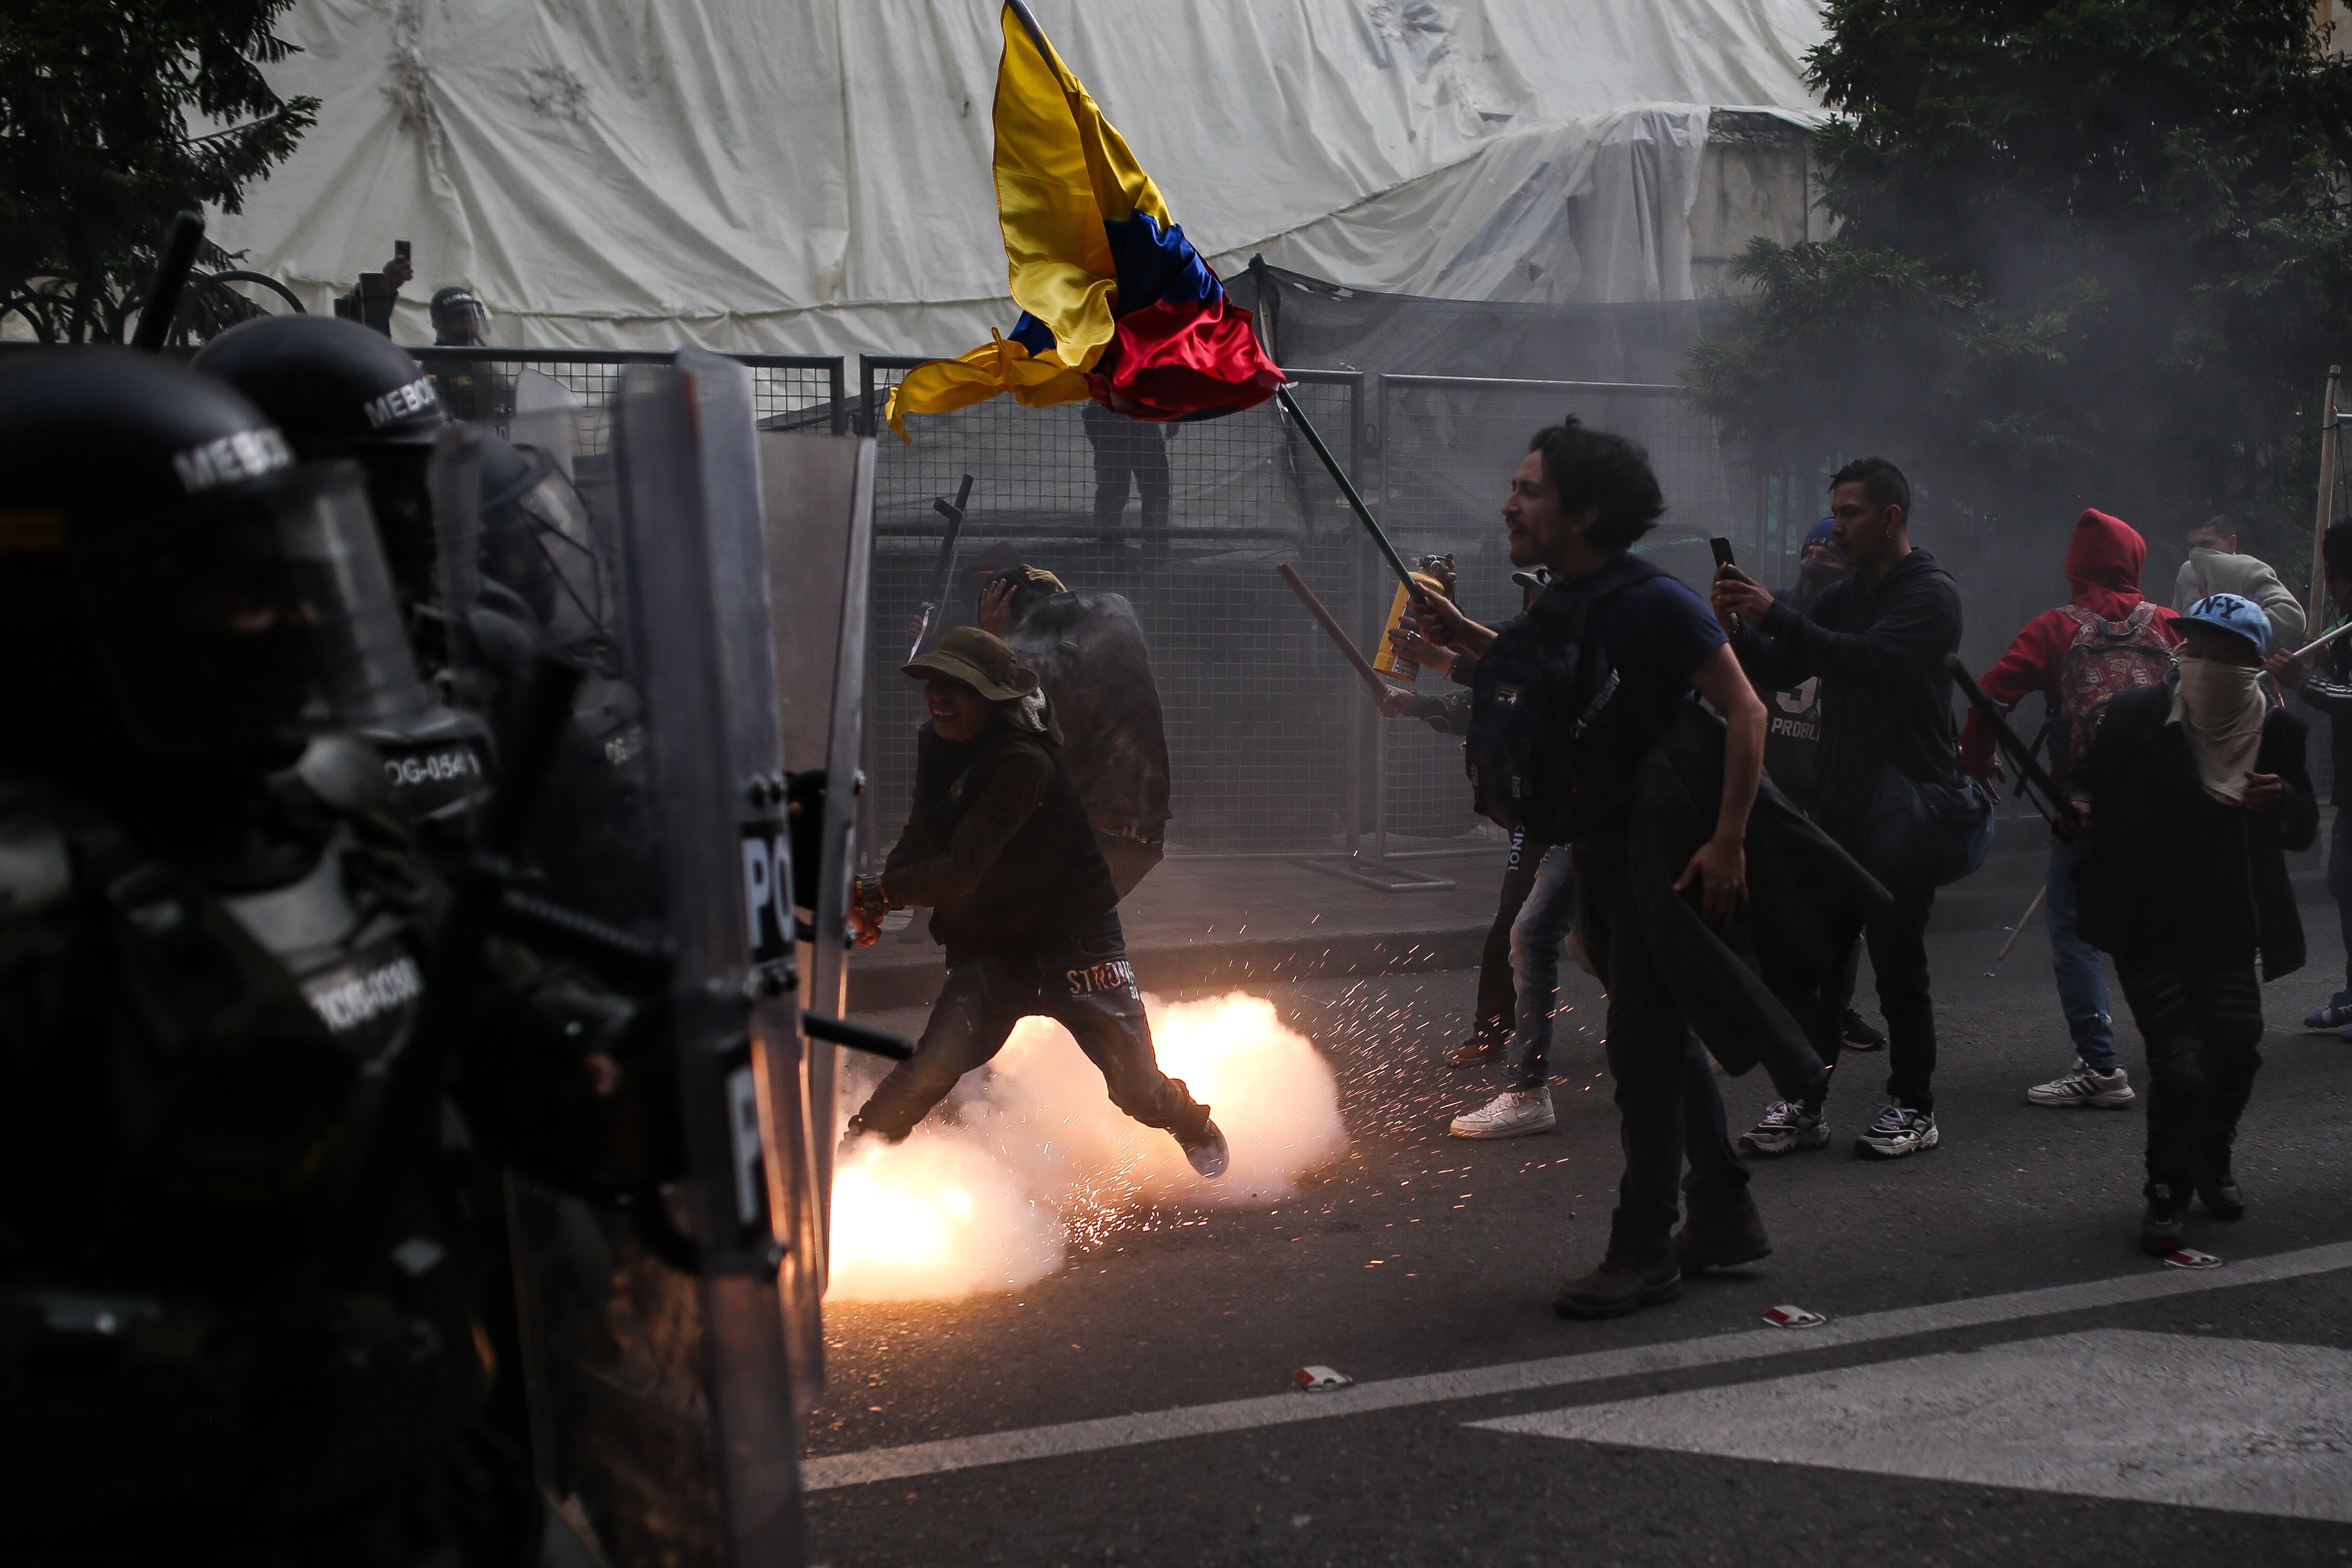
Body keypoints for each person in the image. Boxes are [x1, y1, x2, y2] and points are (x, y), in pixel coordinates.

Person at [0, 352, 633, 1566]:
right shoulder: (27, 913)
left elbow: (487, 1004)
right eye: (237, 593)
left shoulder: (323, 811)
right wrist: (185, 1372)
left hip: (436, 1482)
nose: (297, 621)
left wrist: (601, 1059)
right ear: (73, 628)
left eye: (297, 580)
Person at [1413, 416, 1775, 1317]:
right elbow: (1545, 671)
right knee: (1657, 1039)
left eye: (1530, 490)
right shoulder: (1571, 601)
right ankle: (1723, 1208)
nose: (1509, 503)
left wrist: (1728, 839)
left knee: (1645, 1052)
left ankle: (1645, 1245)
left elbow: (1748, 710)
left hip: (1661, 860)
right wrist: (1459, 630)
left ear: (1587, 511)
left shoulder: (1652, 598)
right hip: (1601, 855)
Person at [840, 627, 1228, 1175]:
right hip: (997, 945)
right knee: (930, 1066)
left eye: (957, 687)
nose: (939, 697)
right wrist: (888, 886)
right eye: (934, 684)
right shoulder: (938, 741)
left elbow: (960, 867)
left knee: (1137, 1091)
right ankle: (854, 1157)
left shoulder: (1024, 760)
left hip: (1078, 945)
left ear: (992, 698)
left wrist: (885, 893)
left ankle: (1189, 1120)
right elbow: (924, 827)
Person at [1715, 458, 1990, 1161]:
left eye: (1850, 514)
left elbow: (1865, 660)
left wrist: (1773, 612)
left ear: (1891, 517)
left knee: (1898, 969)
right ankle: (1805, 1103)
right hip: (1838, 813)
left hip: (1900, 812)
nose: (1837, 528)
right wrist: (1738, 629)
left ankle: (1912, 1106)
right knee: (1816, 968)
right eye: (1835, 513)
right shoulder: (1848, 591)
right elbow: (1783, 667)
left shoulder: (1928, 594)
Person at [2071, 595, 2315, 1254]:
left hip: (2229, 928)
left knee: (2237, 1047)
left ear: (2254, 666)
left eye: (2221, 656)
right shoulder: (2136, 714)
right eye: (2192, 651)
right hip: (2148, 923)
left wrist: (2282, 799)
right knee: (2180, 1062)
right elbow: (2086, 780)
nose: (2201, 665)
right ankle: (2166, 1192)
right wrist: (2082, 806)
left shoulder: (2280, 733)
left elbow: (2302, 830)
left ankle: (2213, 1153)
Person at [1960, 509, 2178, 1109]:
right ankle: (2178, 1049)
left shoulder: (2053, 629)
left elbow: (1988, 698)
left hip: (2081, 806)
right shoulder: (2167, 624)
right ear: (2134, 559)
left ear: (2072, 566)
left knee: (2077, 930)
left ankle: (2101, 1066)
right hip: (2164, 809)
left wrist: (1976, 756)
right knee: (2159, 927)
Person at [1761, 519, 1886, 1057]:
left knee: (1838, 908)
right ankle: (1770, 1006)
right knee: (1768, 903)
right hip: (1773, 784)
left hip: (1829, 787)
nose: (1816, 561)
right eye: (1808, 550)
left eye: (1828, 555)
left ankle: (1833, 1009)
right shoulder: (1777, 608)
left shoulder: (1860, 619)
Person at [975, 557, 1173, 897]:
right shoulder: (1115, 624)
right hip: (1143, 837)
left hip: (1093, 842)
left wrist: (998, 644)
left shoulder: (1038, 666)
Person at [2275, 519, 2352, 1034]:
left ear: (2329, 571)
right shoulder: (2344, 622)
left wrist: (2303, 682)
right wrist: (2321, 652)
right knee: (2345, 883)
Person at [2174, 514, 2305, 655]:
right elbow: (2176, 618)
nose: (2197, 553)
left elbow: (2293, 615)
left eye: (2206, 545)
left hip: (2238, 665)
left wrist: (2238, 625)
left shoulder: (2249, 570)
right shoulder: (2187, 572)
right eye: (2192, 547)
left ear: (2231, 544)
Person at [1081, 397, 1172, 548]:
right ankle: (1155, 538)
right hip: (1140, 428)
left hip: (1113, 427)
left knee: (1113, 489)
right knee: (1154, 488)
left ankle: (1109, 538)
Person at [426, 285, 506, 421]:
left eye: (471, 315)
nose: (469, 321)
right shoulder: (434, 365)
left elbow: (506, 392)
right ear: (441, 322)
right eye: (459, 317)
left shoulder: (481, 358)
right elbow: (438, 413)